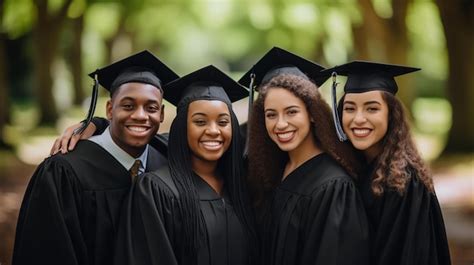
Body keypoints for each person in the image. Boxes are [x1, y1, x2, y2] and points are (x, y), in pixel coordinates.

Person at [12, 50, 179, 265]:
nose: (140, 115)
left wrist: (97, 123)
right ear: (110, 109)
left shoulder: (167, 158)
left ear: (162, 114)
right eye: (128, 106)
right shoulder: (64, 172)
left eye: (151, 107)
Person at [114, 65, 258, 265]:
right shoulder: (156, 191)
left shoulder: (240, 186)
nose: (214, 131)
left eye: (223, 122)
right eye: (200, 122)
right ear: (183, 127)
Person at [240, 47, 369, 265]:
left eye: (291, 112)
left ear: (312, 114)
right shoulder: (273, 171)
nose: (280, 124)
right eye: (271, 114)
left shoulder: (334, 186)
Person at [325, 61, 451, 265]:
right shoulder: (348, 168)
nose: (358, 118)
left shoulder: (404, 182)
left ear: (391, 115)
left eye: (372, 109)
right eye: (350, 108)